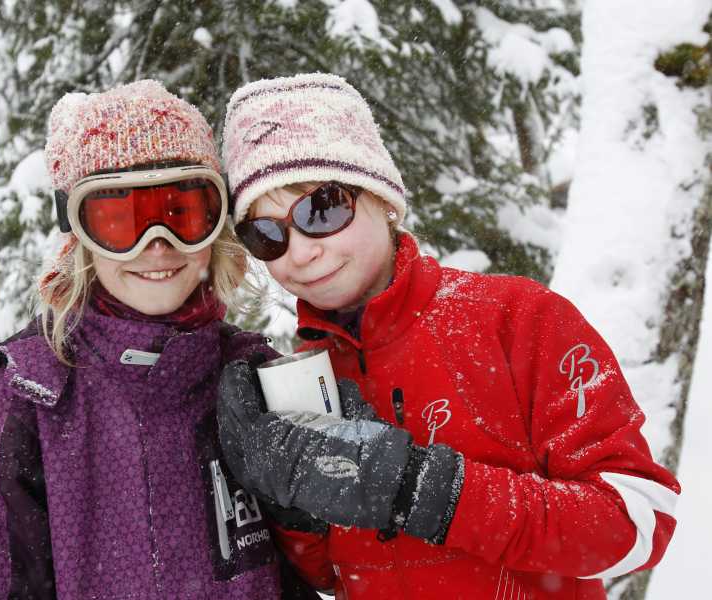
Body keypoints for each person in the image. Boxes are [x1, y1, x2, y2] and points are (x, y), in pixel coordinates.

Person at [216, 73, 680, 600]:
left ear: (381, 196)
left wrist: (427, 489)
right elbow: (330, 575)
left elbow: (638, 523)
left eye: (321, 209)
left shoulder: (518, 319)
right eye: (267, 235)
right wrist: (291, 508)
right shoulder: (309, 377)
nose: (301, 252)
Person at [0, 81, 296, 599]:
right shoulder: (24, 407)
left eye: (182, 213)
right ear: (81, 238)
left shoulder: (253, 378)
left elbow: (321, 566)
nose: (157, 246)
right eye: (120, 222)